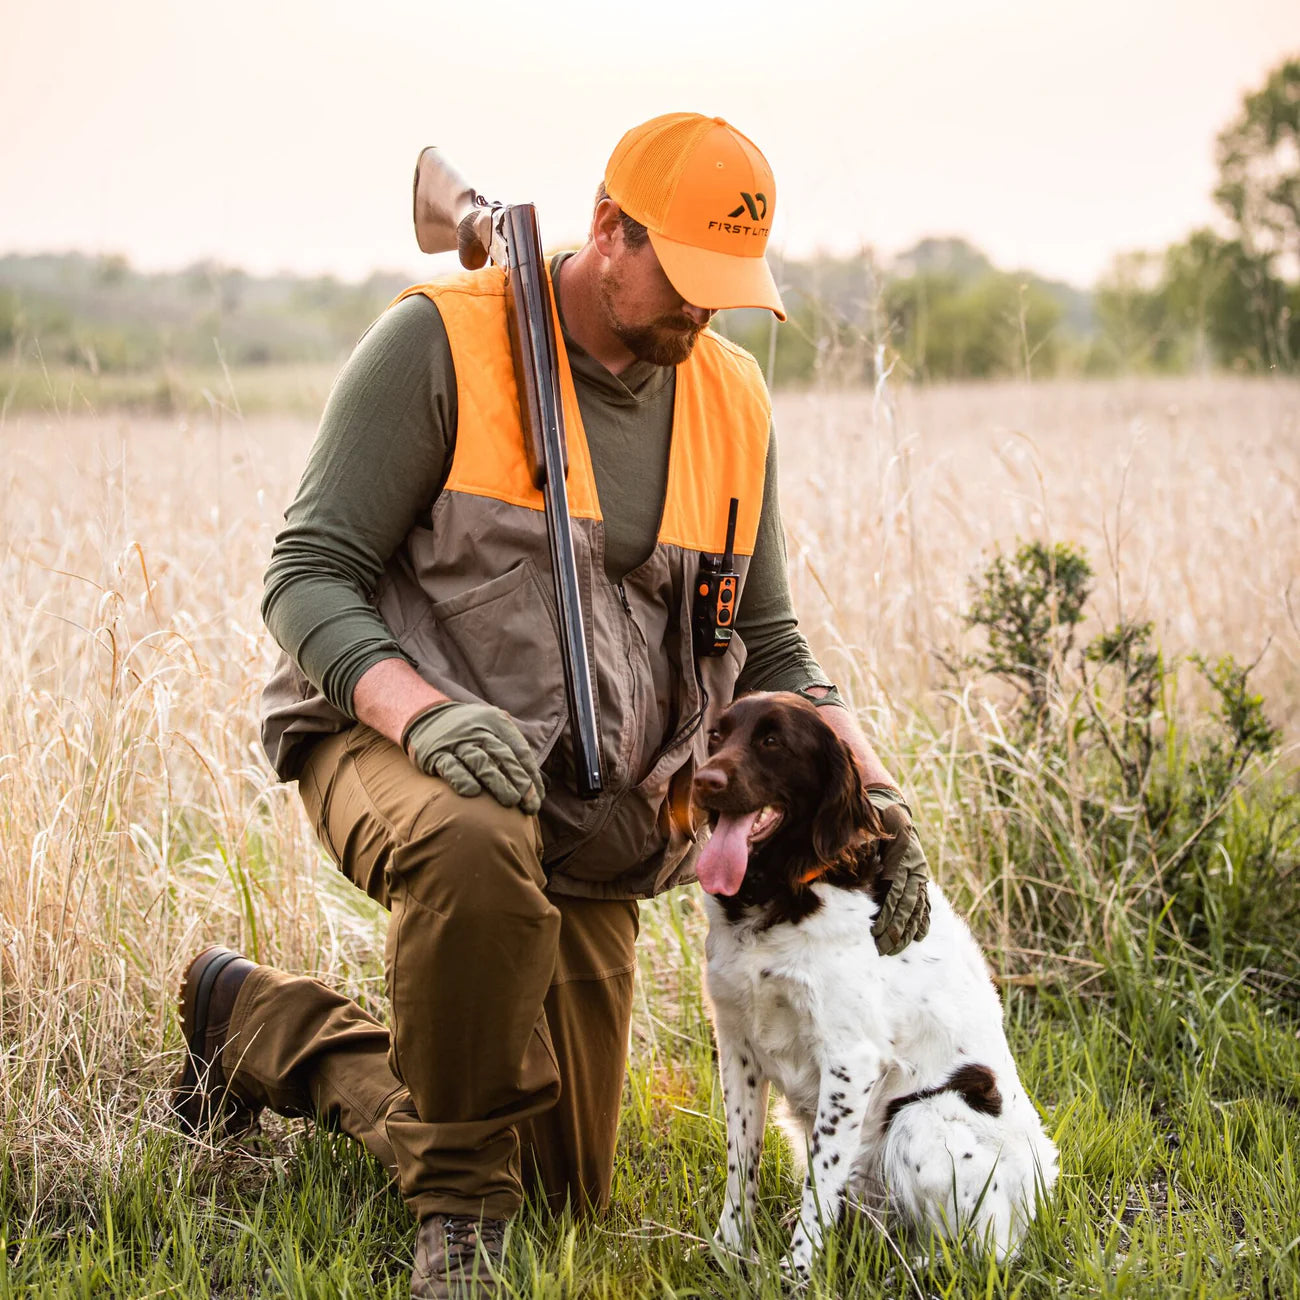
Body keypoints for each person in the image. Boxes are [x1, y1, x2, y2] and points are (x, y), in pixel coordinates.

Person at [171, 112, 931, 1299]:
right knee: (474, 846)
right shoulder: (434, 344)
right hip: (388, 741)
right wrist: (420, 714)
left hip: (590, 805)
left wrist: (869, 787)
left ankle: (257, 1026)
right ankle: (456, 1222)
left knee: (562, 1185)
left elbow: (768, 637)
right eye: (685, 282)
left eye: (728, 292)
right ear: (607, 231)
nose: (704, 316)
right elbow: (304, 572)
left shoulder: (728, 398)